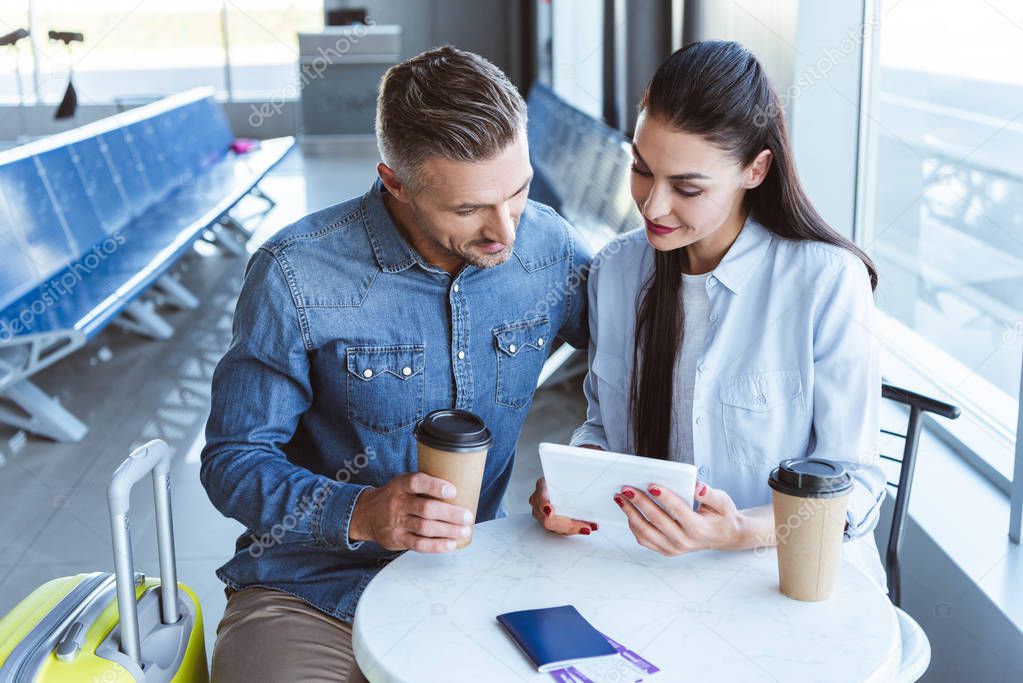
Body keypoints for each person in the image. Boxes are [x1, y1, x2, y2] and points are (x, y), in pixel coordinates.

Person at [201, 46, 592, 682]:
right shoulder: (296, 275)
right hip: (309, 591)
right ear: (395, 184)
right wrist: (359, 512)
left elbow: (635, 363)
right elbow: (232, 462)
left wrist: (586, 467)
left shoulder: (550, 247)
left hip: (473, 579)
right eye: (468, 210)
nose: (506, 232)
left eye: (517, 190)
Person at [529, 40, 887, 585]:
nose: (651, 206)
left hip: (785, 578)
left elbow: (852, 487)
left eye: (688, 187)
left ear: (756, 169)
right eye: (642, 169)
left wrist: (735, 530)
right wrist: (576, 484)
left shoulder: (826, 281)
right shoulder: (616, 271)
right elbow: (602, 428)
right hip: (651, 574)